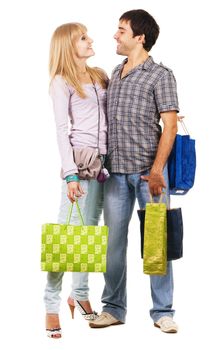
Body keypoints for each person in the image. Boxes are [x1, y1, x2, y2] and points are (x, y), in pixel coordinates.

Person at [89, 9, 179, 333]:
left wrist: (157, 171)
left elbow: (169, 127)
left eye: (121, 30)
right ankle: (113, 308)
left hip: (148, 177)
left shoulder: (161, 75)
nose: (115, 35)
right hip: (115, 176)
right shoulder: (116, 71)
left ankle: (163, 311)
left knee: (157, 243)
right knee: (113, 244)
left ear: (140, 37)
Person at [44, 22, 108, 338]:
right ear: (69, 46)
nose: (91, 40)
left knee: (90, 231)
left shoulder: (99, 76)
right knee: (66, 236)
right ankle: (51, 306)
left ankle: (80, 293)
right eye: (83, 37)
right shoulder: (60, 81)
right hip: (79, 165)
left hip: (105, 165)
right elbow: (60, 130)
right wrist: (70, 174)